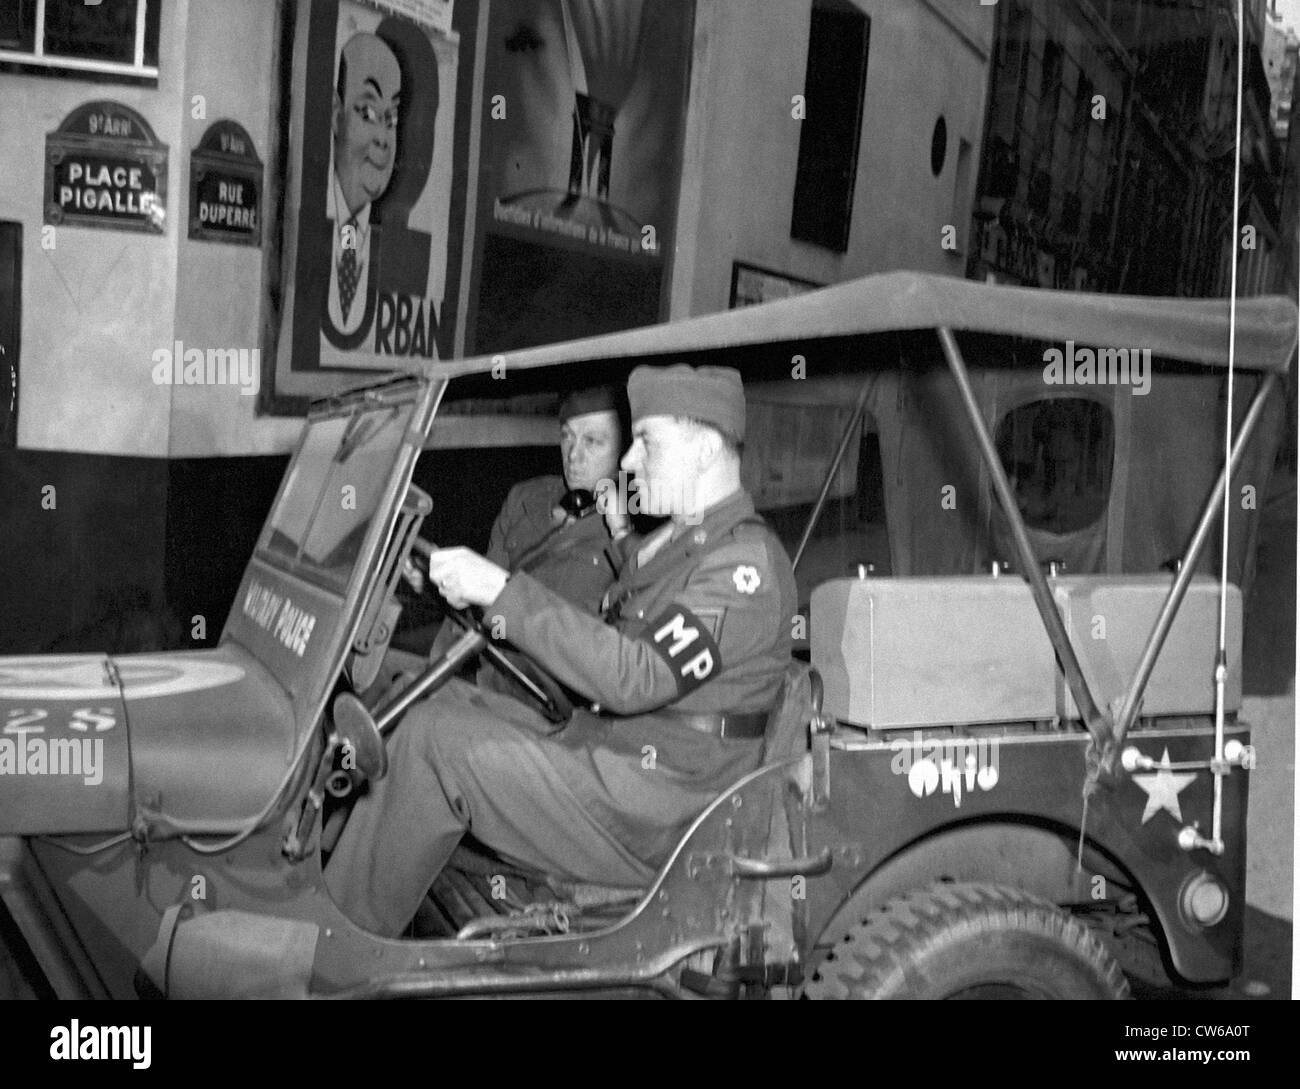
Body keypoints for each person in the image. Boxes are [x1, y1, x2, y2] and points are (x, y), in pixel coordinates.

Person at [325, 364, 796, 937]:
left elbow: (635, 675)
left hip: (662, 811)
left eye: (646, 441)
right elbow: (629, 611)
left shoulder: (747, 567)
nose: (627, 461)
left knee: (433, 744)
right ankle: (333, 888)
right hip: (612, 754)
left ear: (703, 448)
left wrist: (501, 591)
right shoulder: (687, 542)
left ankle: (334, 954)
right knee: (428, 702)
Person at [484, 386, 627, 616]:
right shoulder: (524, 497)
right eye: (566, 436)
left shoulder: (635, 527)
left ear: (624, 449)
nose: (572, 455)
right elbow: (486, 579)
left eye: (591, 441)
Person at [326, 33, 401, 338]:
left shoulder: (394, 247)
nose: (383, 137)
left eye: (391, 118)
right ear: (336, 115)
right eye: (368, 113)